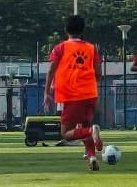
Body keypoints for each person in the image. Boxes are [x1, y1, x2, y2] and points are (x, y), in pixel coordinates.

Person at [44, 15, 104, 171]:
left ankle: (92, 131)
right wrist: (94, 90)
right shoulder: (91, 48)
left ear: (66, 30)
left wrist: (46, 91)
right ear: (83, 30)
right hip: (90, 93)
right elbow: (99, 72)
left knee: (66, 133)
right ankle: (92, 158)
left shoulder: (60, 48)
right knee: (84, 126)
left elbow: (51, 69)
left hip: (72, 95)